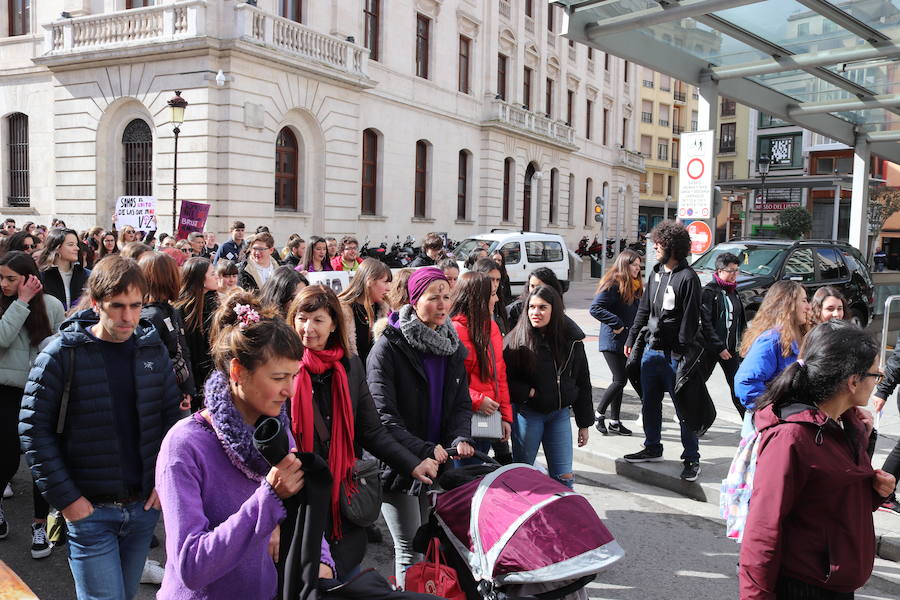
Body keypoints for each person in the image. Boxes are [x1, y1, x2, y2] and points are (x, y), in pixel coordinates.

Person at [19, 255, 183, 600]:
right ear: (96, 304)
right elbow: (34, 431)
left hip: (142, 510)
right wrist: (68, 500)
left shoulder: (151, 348)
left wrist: (161, 483)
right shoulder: (61, 354)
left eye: (136, 306)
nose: (128, 317)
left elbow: (171, 423)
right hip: (89, 511)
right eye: (117, 306)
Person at [156, 291, 334, 598]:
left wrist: (323, 562)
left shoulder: (273, 429)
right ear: (238, 371)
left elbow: (302, 510)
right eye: (279, 377)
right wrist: (268, 500)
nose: (290, 391)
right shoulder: (184, 444)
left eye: (294, 376)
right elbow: (191, 567)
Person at [287, 285, 438, 577]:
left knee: (344, 576)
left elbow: (372, 431)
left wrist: (412, 462)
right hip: (296, 494)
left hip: (341, 495)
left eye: (317, 320)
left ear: (333, 324)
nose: (308, 329)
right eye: (301, 319)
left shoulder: (350, 366)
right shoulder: (283, 364)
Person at [739, 321, 895, 599]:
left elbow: (826, 502)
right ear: (853, 381)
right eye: (875, 374)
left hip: (835, 585)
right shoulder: (792, 436)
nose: (878, 379)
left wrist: (871, 492)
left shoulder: (848, 426)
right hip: (803, 586)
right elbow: (763, 530)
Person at [366, 267, 474, 585]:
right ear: (414, 301)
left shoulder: (451, 345)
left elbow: (460, 404)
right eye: (433, 297)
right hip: (397, 462)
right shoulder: (388, 348)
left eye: (446, 296)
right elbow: (384, 417)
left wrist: (461, 436)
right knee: (408, 547)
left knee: (425, 544)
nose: (442, 304)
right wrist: (424, 450)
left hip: (434, 462)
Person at [623, 221, 704, 482]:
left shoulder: (688, 278)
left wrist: (679, 352)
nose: (654, 246)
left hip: (674, 355)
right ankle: (652, 446)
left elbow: (690, 320)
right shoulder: (655, 272)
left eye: (659, 243)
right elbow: (644, 310)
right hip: (650, 351)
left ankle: (691, 458)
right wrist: (633, 337)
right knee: (650, 402)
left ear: (672, 247)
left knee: (684, 408)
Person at [0, 252, 65, 557]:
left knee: (42, 461)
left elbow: (60, 345)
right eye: (1, 278)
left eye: (11, 278)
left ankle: (39, 525)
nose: (4, 284)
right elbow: (2, 338)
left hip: (41, 392)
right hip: (6, 393)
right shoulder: (6, 304)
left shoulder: (51, 305)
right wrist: (21, 301)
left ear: (29, 278)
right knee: (8, 458)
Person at [503, 285, 592, 487]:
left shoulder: (572, 340)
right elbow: (502, 380)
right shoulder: (516, 340)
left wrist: (583, 423)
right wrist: (527, 392)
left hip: (560, 415)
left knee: (564, 478)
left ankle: (561, 518)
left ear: (555, 309)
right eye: (531, 307)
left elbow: (582, 381)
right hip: (529, 414)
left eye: (542, 307)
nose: (536, 312)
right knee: (522, 477)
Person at [450, 272, 513, 453]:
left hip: (488, 419)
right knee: (465, 479)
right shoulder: (454, 330)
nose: (497, 299)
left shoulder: (491, 327)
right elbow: (450, 382)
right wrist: (477, 400)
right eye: (492, 295)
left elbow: (500, 375)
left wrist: (505, 416)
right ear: (478, 299)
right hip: (462, 423)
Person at [735, 280, 811, 422]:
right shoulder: (772, 340)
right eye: (804, 301)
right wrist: (772, 414)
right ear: (788, 304)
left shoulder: (803, 337)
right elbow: (745, 383)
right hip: (777, 425)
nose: (808, 307)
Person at [589, 249, 643, 436]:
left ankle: (615, 421)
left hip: (626, 341)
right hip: (613, 341)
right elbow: (595, 308)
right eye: (634, 265)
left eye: (639, 265)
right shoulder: (614, 283)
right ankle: (599, 414)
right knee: (620, 379)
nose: (637, 268)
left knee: (619, 380)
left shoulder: (634, 285)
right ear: (625, 264)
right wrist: (617, 324)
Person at [138, 251, 196, 406]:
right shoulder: (150, 317)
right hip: (162, 398)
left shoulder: (170, 310)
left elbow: (183, 351)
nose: (180, 272)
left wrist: (187, 389)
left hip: (176, 393)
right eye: (175, 269)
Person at [699, 252, 747, 419]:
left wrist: (743, 342)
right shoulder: (709, 292)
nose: (734, 274)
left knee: (737, 387)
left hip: (731, 350)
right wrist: (719, 347)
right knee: (698, 383)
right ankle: (693, 417)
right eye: (730, 271)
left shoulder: (734, 292)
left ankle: (748, 424)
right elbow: (706, 324)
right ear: (719, 271)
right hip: (711, 349)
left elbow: (740, 321)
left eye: (737, 270)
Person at [175, 257, 220, 411]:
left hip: (214, 375)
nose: (217, 276)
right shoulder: (182, 309)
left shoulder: (216, 303)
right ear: (200, 279)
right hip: (192, 376)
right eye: (212, 273)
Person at [337, 258, 391, 364]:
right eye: (385, 282)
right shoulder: (341, 310)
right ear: (370, 281)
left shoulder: (384, 309)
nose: (388, 288)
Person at [35, 228, 90, 312]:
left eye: (76, 244)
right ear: (57, 247)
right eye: (71, 244)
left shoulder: (87, 275)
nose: (77, 248)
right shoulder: (40, 276)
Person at [472, 258, 510, 334]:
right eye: (491, 279)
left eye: (498, 280)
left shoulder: (499, 307)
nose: (495, 284)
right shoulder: (470, 309)